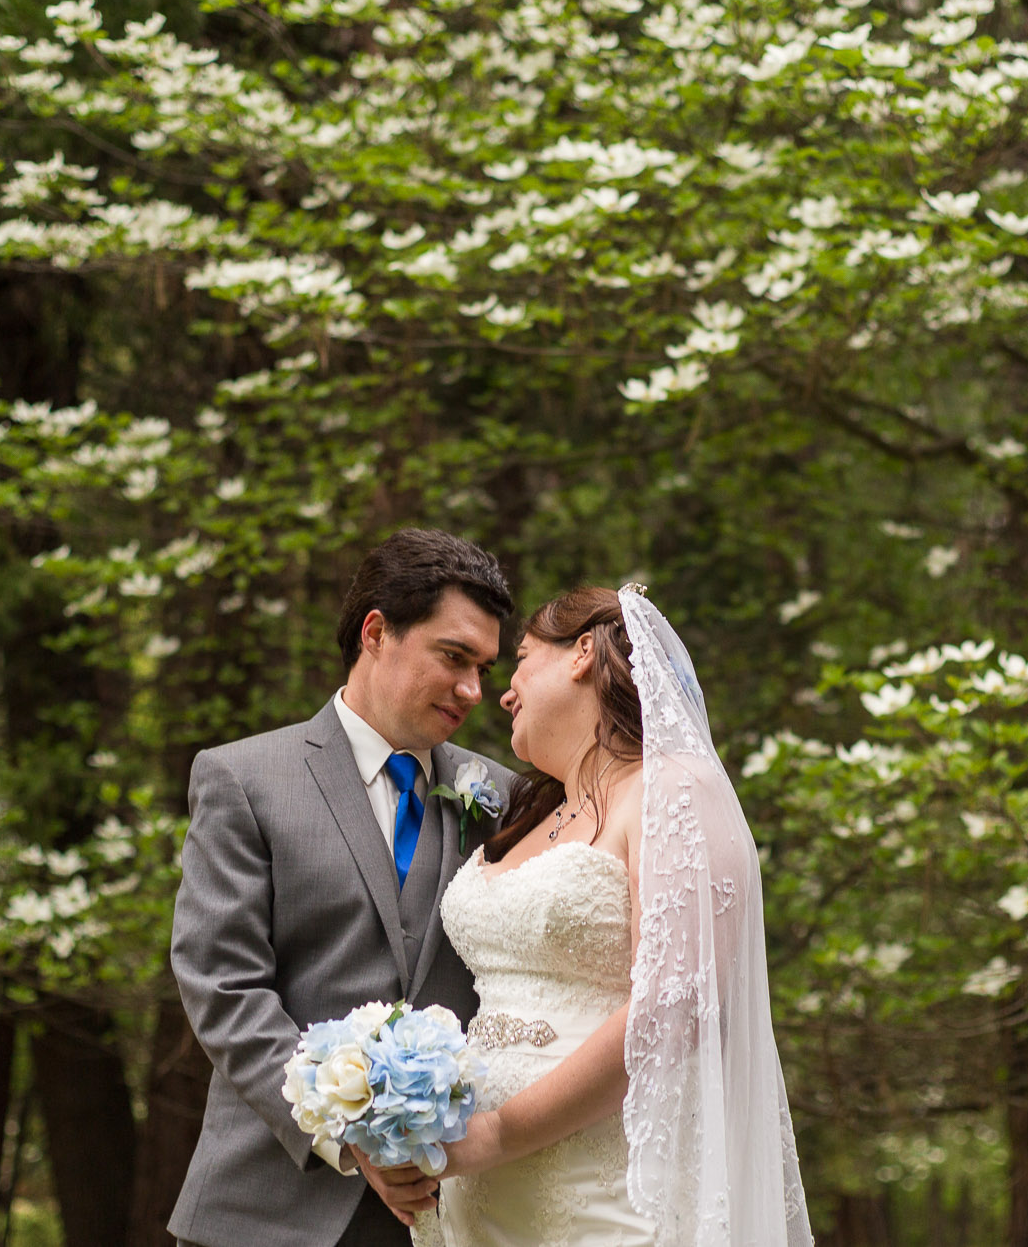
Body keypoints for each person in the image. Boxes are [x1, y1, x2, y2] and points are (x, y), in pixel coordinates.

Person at [420, 584, 813, 1247]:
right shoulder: (529, 813)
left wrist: (497, 1131)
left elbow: (675, 1004)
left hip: (603, 1191)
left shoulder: (674, 787)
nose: (502, 693)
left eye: (517, 659)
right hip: (476, 1201)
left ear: (580, 654)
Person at [169, 529, 517, 1247]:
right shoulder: (243, 779)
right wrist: (347, 1132)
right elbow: (223, 985)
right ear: (377, 632)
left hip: (446, 1211)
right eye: (454, 657)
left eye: (484, 667)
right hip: (266, 1205)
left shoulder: (499, 796)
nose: (472, 690)